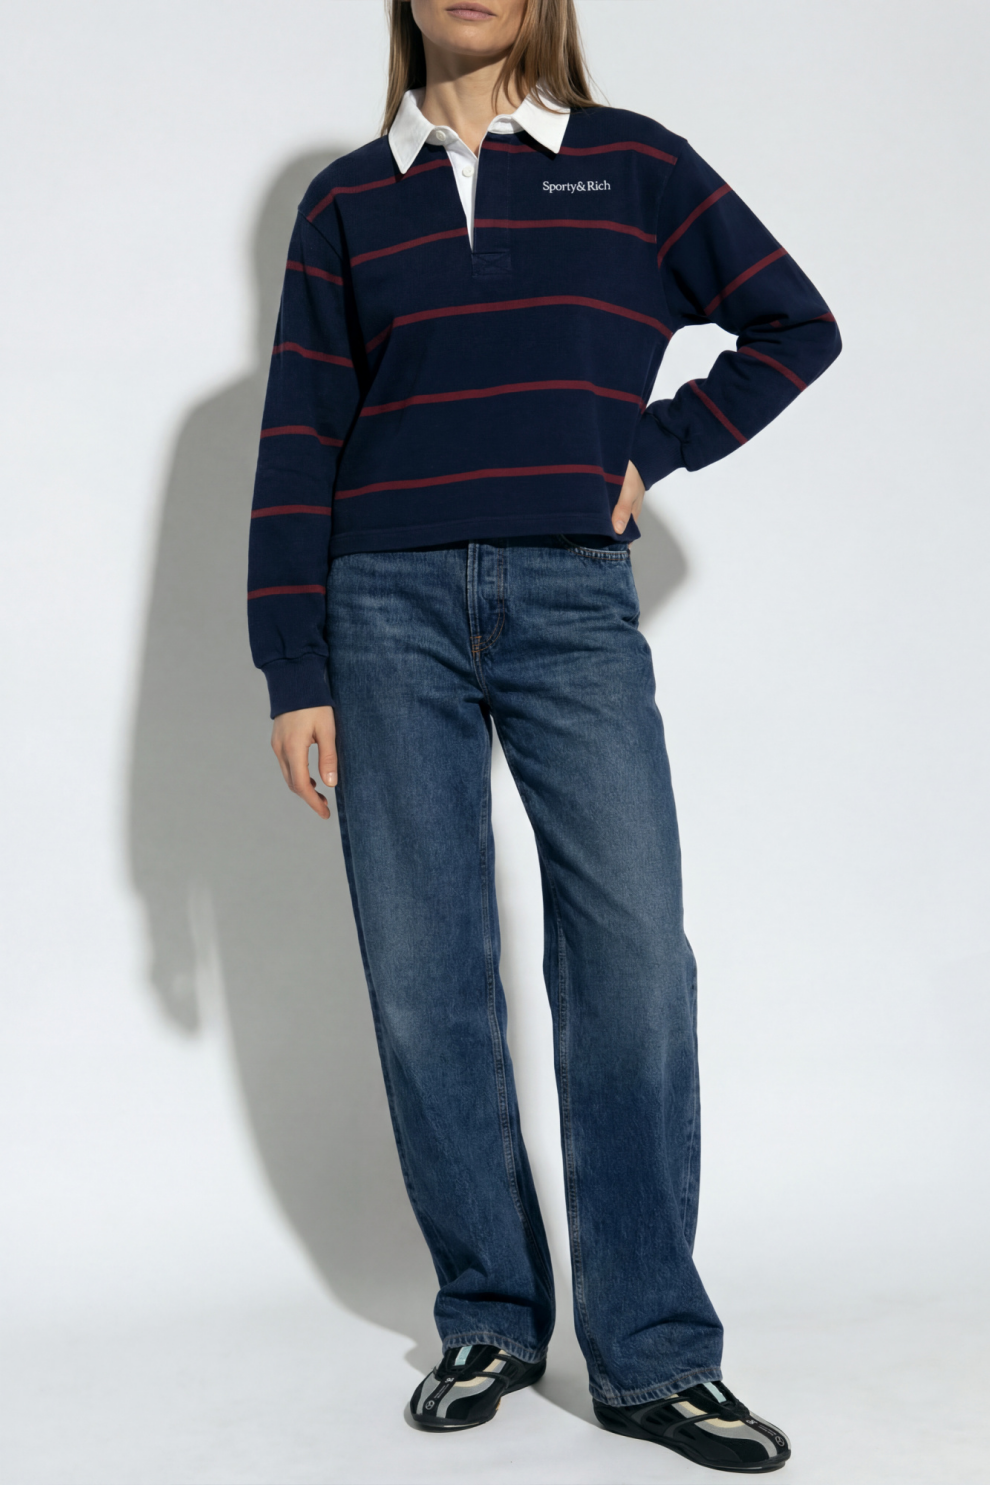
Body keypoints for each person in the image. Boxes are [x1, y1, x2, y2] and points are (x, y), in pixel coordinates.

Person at [246, 0, 840, 1471]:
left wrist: (656, 444)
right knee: (422, 978)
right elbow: (301, 432)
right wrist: (291, 665)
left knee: (632, 963)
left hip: (574, 599)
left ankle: (652, 1354)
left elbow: (795, 322)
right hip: (381, 608)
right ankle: (492, 1317)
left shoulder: (631, 163)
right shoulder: (349, 200)